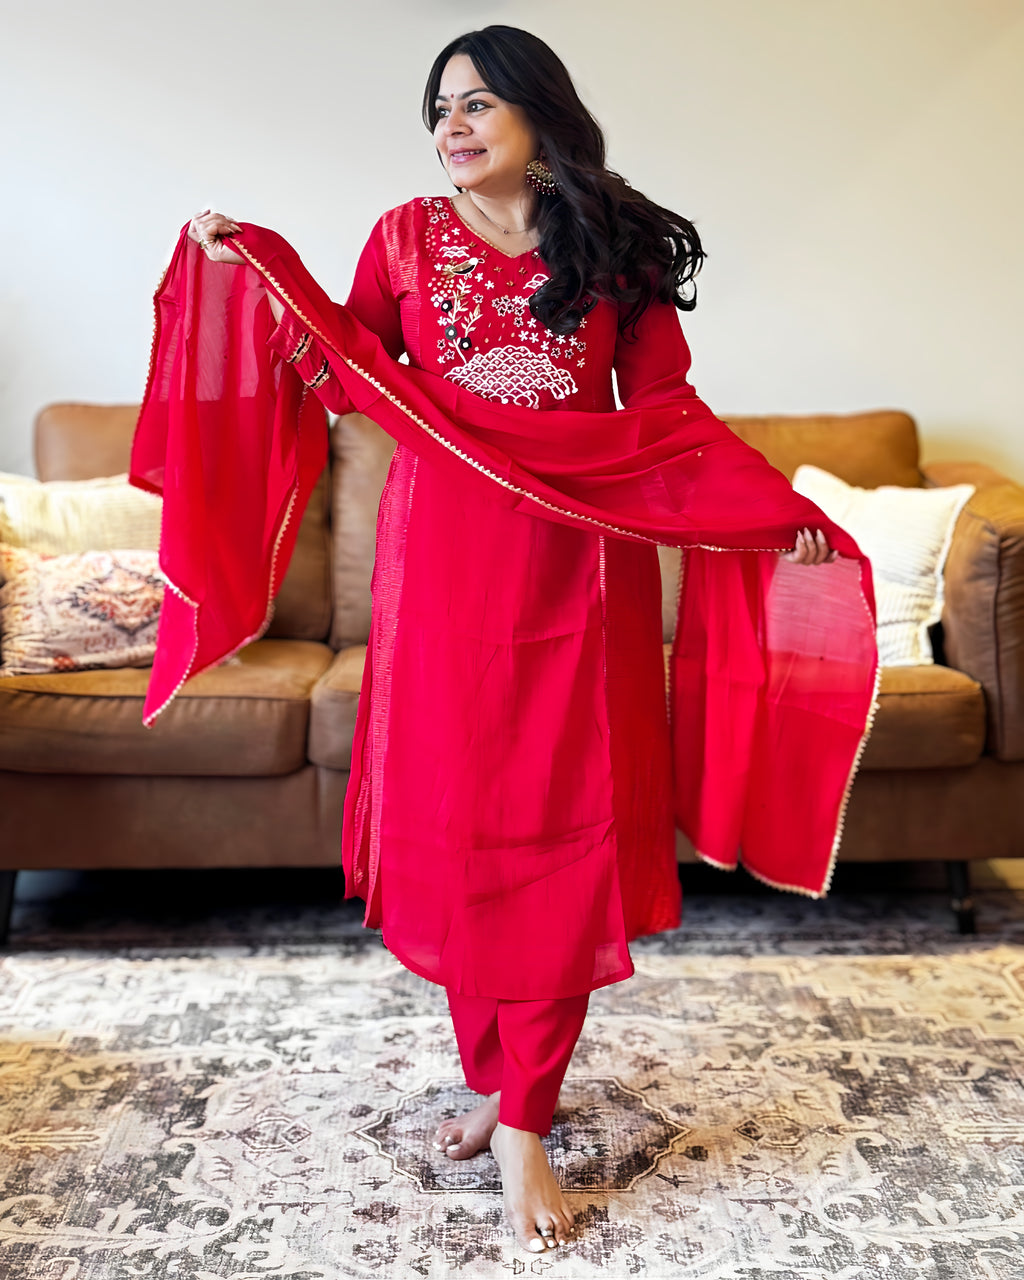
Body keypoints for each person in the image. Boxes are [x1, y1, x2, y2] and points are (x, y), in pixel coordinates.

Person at [141, 25, 870, 1257]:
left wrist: (764, 506)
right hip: (443, 568)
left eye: (478, 102)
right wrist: (258, 270)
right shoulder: (402, 239)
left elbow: (667, 408)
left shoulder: (614, 249)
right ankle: (497, 1077)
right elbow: (349, 368)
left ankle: (526, 1112)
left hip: (581, 569)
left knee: (564, 829)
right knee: (462, 825)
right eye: (440, 107)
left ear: (540, 113)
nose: (452, 125)